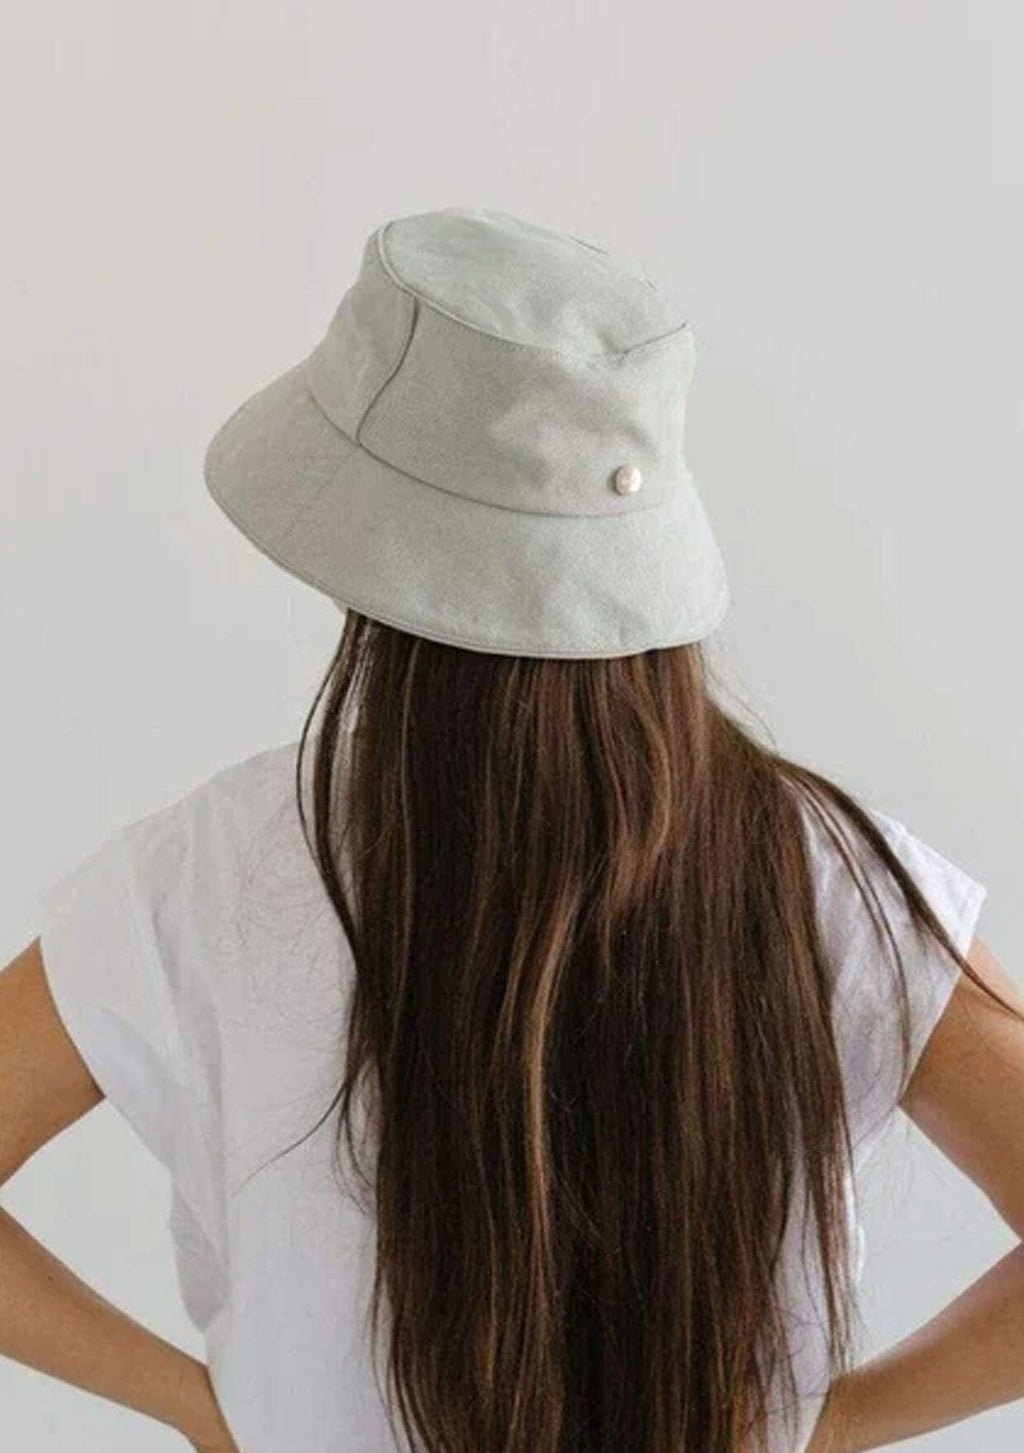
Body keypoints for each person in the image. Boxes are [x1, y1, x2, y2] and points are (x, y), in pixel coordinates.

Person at [1, 207, 1021, 1453]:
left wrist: (203, 1412)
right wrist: (812, 1426)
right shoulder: (826, 883)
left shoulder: (207, 876)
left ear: (369, 558)